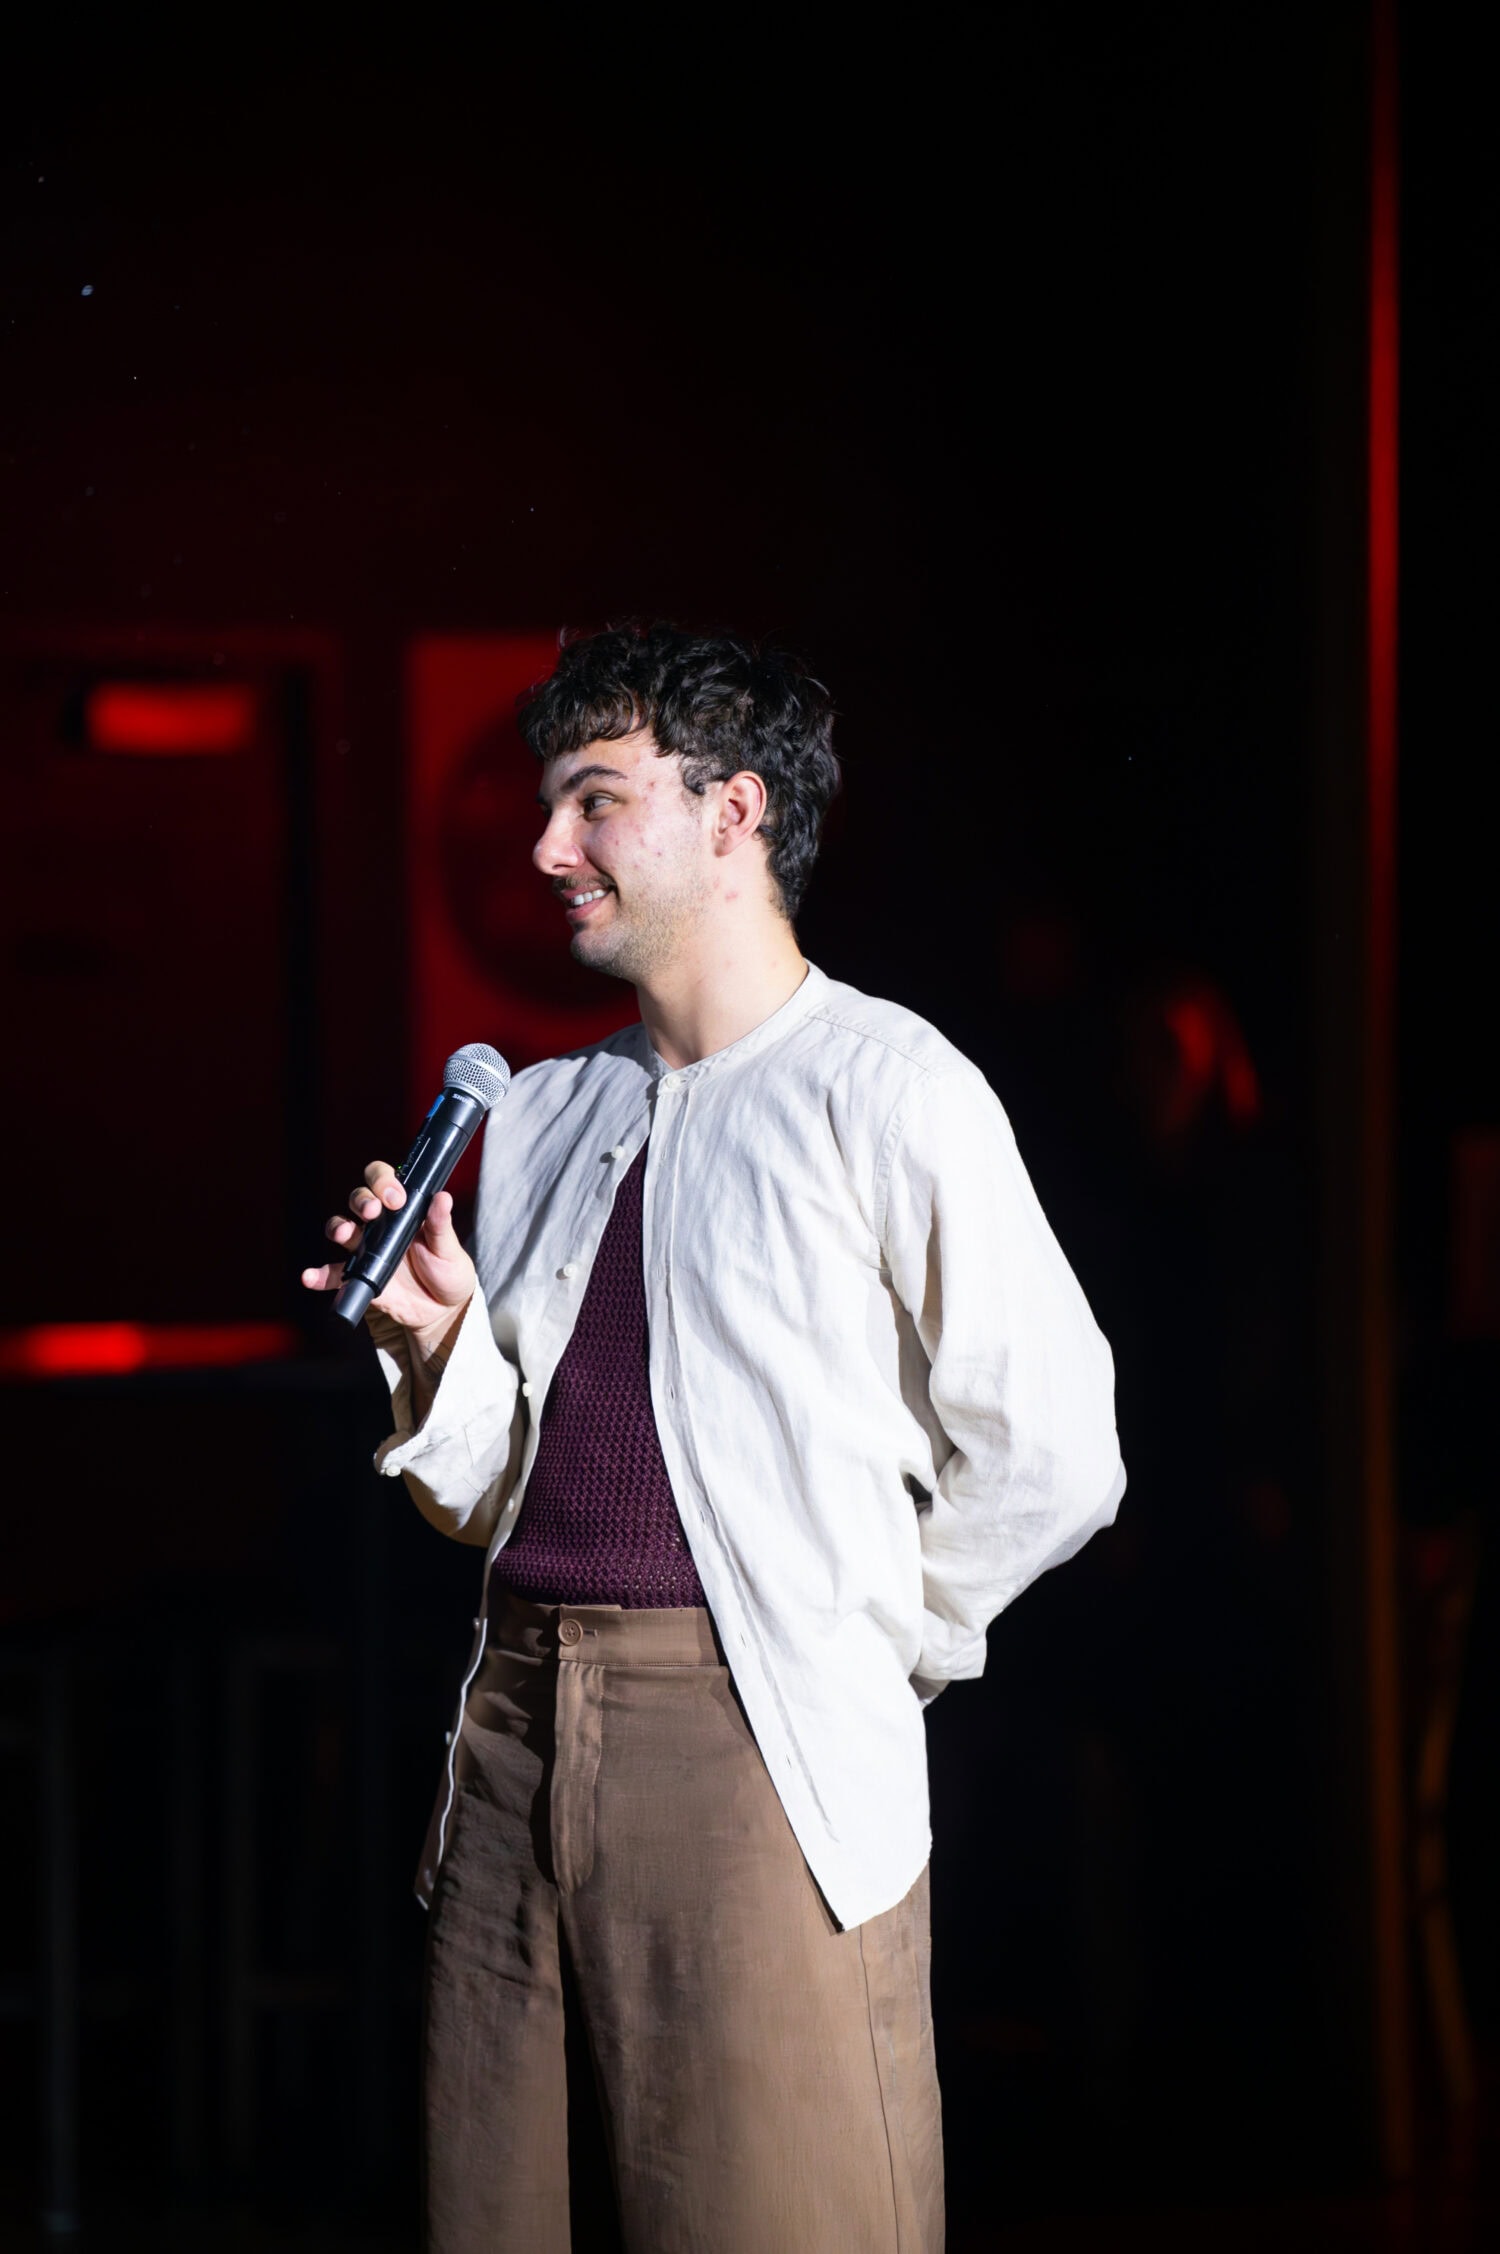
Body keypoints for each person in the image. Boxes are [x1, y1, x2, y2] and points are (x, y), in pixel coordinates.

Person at [302, 623, 1125, 2254]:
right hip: (516, 1724)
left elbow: (1057, 1449)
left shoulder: (888, 1088)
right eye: (550, 804)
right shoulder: (545, 1112)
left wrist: (862, 1638)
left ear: (733, 811)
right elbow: (490, 1492)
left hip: (755, 1743)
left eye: (595, 800)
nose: (549, 847)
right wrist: (440, 1343)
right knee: (497, 2209)